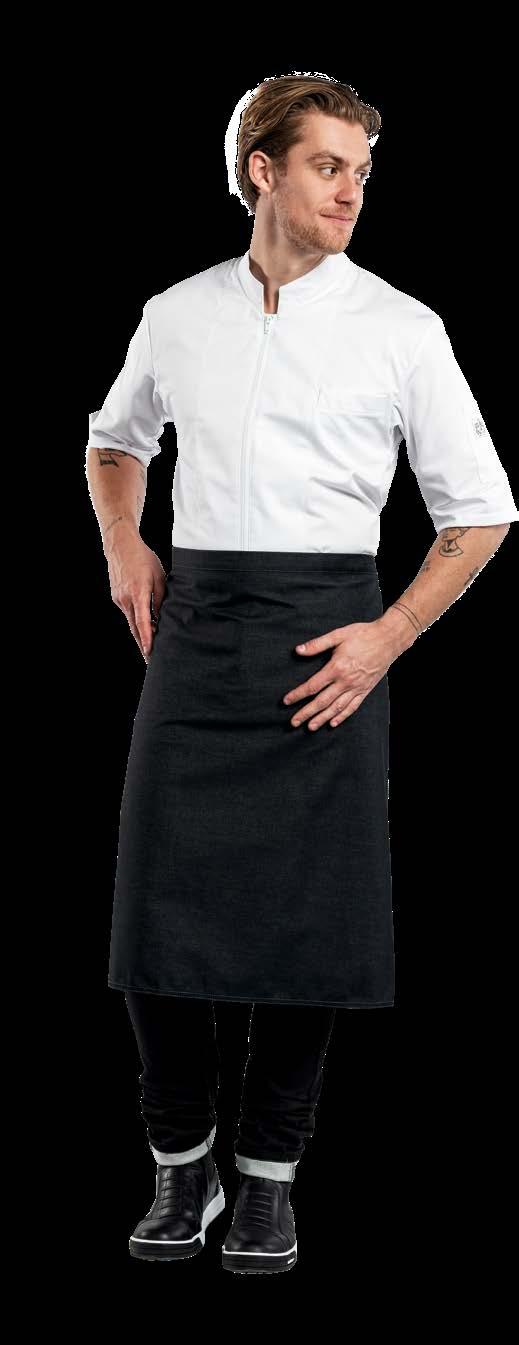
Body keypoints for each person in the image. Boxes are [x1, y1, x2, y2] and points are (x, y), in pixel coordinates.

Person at [85, 74, 518, 1273]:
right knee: (155, 909)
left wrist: (388, 634)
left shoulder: (402, 327)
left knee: (311, 920)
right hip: (197, 633)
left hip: (330, 639)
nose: (351, 191)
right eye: (330, 165)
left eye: (363, 172)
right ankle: (180, 1162)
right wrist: (125, 542)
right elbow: (115, 439)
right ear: (262, 170)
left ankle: (269, 1176)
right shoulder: (177, 312)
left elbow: (479, 514)